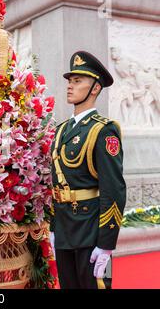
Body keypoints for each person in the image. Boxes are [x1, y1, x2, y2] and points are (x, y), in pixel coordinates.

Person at [49, 51, 126, 289]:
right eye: (69, 81)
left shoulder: (103, 131)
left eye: (77, 81)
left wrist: (106, 243)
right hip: (64, 228)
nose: (70, 87)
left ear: (94, 88)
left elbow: (113, 189)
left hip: (89, 230)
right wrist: (53, 228)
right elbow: (57, 184)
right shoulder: (61, 130)